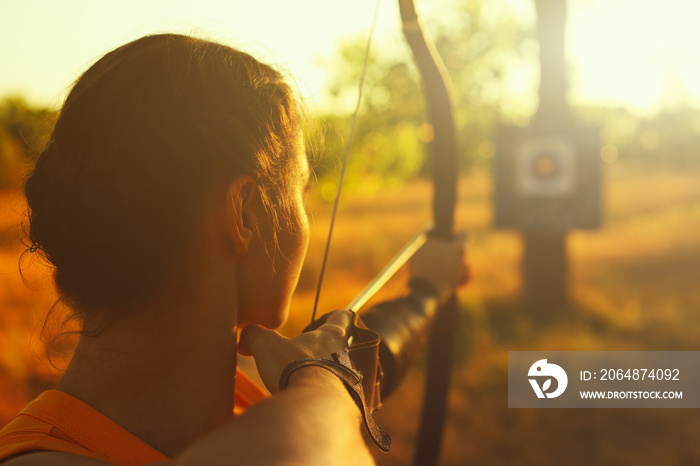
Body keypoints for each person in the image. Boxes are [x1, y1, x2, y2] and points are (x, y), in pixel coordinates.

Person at [0, 34, 467, 465]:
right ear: (243, 213)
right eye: (300, 192)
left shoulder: (263, 397)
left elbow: (371, 359)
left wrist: (426, 292)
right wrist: (324, 383)